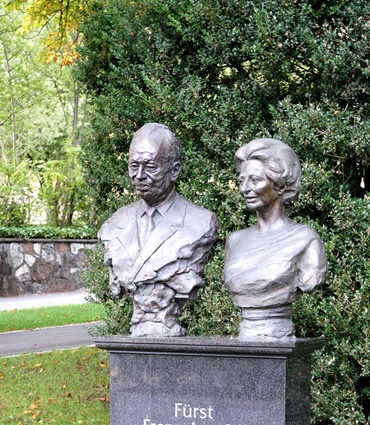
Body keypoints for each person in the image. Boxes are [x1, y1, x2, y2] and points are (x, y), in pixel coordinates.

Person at [98, 123, 218, 337]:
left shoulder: (200, 223)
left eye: (150, 167)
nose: (140, 176)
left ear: (175, 170)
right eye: (134, 166)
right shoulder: (113, 225)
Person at [223, 138, 327, 340]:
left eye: (255, 180)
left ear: (279, 184)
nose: (244, 189)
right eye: (242, 180)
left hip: (279, 330)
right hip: (248, 330)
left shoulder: (305, 240)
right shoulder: (234, 241)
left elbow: (310, 279)